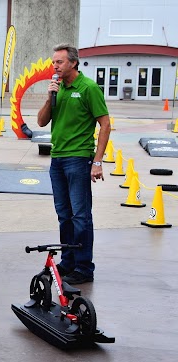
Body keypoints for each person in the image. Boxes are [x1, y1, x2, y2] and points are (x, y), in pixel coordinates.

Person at [37, 43, 111, 285]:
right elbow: (40, 122)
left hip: (79, 159)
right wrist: (50, 97)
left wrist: (97, 161)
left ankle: (83, 266)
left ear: (73, 63)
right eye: (53, 62)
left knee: (80, 216)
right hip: (57, 159)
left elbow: (105, 124)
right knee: (64, 215)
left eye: (59, 62)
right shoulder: (57, 89)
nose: (54, 66)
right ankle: (68, 261)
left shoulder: (88, 88)